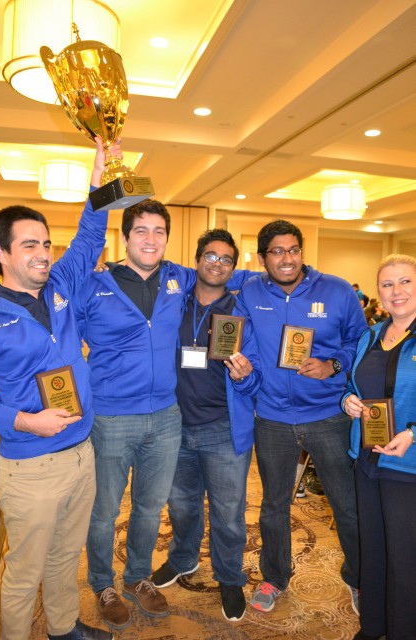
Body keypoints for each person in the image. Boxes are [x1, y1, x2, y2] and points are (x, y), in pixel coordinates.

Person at [73, 201, 255, 630]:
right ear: (125, 237)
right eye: (141, 230)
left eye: (158, 231)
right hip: (113, 419)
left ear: (167, 241)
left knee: (151, 508)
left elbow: (226, 272)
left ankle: (137, 577)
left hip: (167, 418)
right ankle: (103, 583)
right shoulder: (95, 285)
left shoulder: (179, 278)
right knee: (103, 511)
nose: (150, 239)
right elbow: (62, 340)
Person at [0, 138, 117, 640]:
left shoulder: (61, 284)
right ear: (0, 252)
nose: (44, 254)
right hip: (29, 464)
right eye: (30, 245)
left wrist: (99, 178)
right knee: (23, 573)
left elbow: (89, 235)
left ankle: (64, 629)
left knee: (68, 554)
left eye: (45, 244)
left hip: (80, 454)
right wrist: (23, 421)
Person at [234, 219, 367, 613]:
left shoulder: (339, 290)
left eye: (293, 250)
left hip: (328, 416)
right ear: (263, 258)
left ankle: (360, 577)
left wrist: (333, 365)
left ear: (302, 252)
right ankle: (275, 577)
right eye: (277, 251)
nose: (287, 258)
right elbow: (246, 346)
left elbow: (360, 343)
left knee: (346, 504)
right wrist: (246, 377)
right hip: (273, 418)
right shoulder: (250, 291)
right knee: (274, 505)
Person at [150, 229, 261, 622]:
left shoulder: (243, 310)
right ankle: (183, 558)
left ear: (234, 267)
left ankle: (230, 577)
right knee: (180, 504)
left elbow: (257, 375)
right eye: (210, 256)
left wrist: (245, 376)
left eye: (226, 259)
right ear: (196, 260)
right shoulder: (174, 302)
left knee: (229, 511)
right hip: (175, 424)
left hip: (223, 426)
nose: (217, 263)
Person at [342, 254, 416, 640]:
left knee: (405, 558)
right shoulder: (370, 335)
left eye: (405, 282)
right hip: (367, 460)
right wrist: (347, 403)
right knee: (373, 548)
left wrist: (413, 433)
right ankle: (372, 627)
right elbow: (353, 388)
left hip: (408, 466)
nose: (396, 292)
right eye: (387, 285)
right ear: (379, 294)